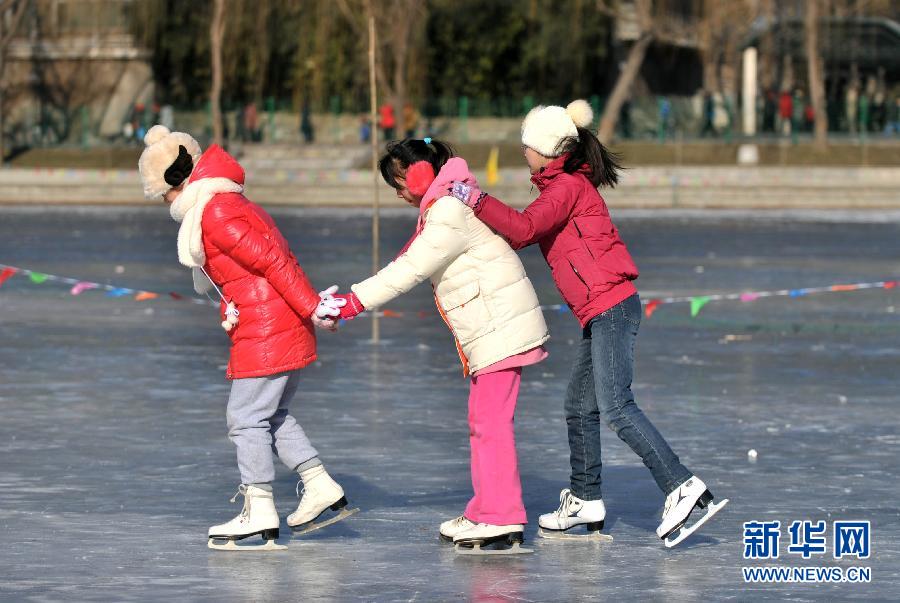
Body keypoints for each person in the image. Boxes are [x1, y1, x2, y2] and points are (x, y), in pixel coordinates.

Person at [446, 100, 727, 548]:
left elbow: (522, 229)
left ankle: (684, 488)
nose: (523, 152)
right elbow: (523, 227)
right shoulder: (560, 187)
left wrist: (473, 198)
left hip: (611, 307)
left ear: (543, 149)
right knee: (580, 407)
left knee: (616, 406)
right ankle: (585, 499)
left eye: (526, 145)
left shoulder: (566, 187)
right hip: (599, 312)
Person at [137, 125, 353, 551]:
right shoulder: (227, 203)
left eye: (162, 194)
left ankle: (259, 508)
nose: (164, 204)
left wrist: (311, 305)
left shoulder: (215, 212)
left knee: (245, 417)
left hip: (269, 327)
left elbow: (273, 261)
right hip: (271, 321)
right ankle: (319, 484)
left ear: (176, 182)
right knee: (269, 415)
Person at [332, 138, 549, 554]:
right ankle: (487, 508)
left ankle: (501, 518)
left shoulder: (448, 209)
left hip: (498, 326)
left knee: (491, 425)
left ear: (420, 176)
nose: (397, 193)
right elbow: (412, 253)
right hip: (492, 326)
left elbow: (412, 267)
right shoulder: (446, 202)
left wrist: (354, 302)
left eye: (398, 182)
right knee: (482, 422)